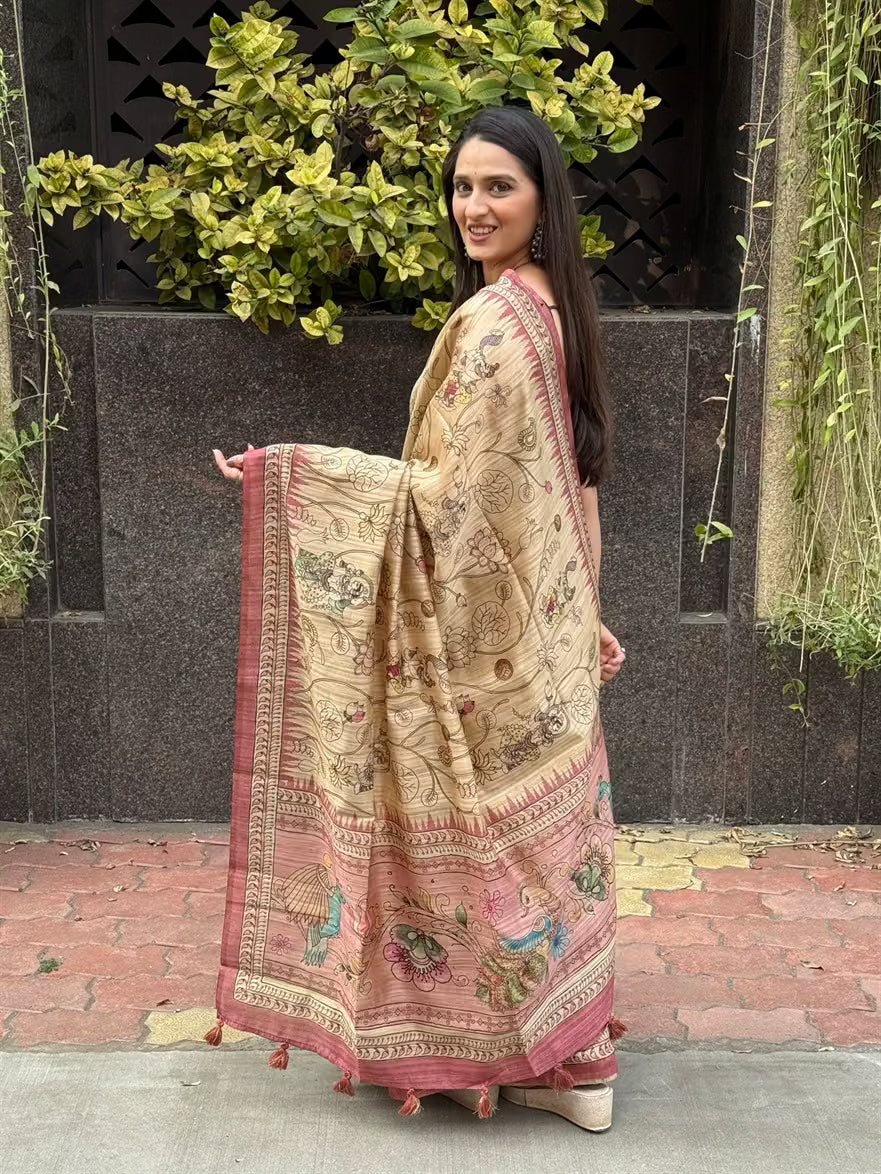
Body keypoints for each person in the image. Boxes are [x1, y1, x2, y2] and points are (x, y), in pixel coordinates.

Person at [212, 104, 626, 1131]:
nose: (473, 207)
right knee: (531, 839)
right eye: (461, 187)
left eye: (499, 187)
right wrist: (584, 605)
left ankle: (561, 1063)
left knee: (487, 841)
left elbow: (448, 501)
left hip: (482, 650)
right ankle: (570, 1053)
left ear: (543, 202)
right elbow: (568, 483)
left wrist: (293, 474)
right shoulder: (545, 311)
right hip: (533, 635)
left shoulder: (494, 328)